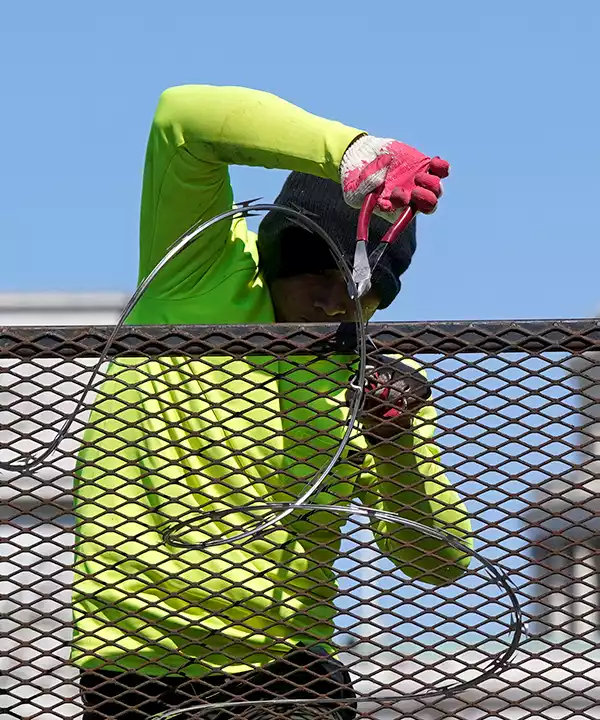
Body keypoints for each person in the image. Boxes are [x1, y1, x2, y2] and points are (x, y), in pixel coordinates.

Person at [69, 84, 473, 720]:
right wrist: (348, 151)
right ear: (278, 258)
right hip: (134, 669)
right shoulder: (200, 273)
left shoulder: (382, 381)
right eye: (318, 277)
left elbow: (438, 561)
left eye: (359, 291)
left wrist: (394, 443)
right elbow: (181, 117)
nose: (335, 304)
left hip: (288, 674)